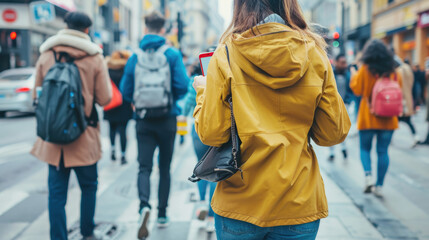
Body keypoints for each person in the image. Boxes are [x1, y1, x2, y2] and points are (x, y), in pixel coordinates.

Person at [192, 0, 351, 239]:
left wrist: (204, 91)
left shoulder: (225, 54)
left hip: (240, 203)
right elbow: (333, 133)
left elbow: (211, 134)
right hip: (298, 201)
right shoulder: (314, 53)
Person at [31, 12, 111, 240]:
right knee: (89, 187)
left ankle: (58, 237)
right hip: (83, 136)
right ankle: (87, 232)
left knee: (56, 194)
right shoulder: (94, 56)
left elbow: (36, 94)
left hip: (53, 138)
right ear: (87, 30)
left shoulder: (46, 54)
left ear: (65, 26)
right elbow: (104, 98)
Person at [120, 11, 189, 239]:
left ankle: (143, 206)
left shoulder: (135, 56)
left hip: (143, 120)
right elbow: (182, 86)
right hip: (167, 119)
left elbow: (125, 91)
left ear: (145, 26)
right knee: (165, 168)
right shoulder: (172, 54)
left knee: (144, 167)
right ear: (164, 28)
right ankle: (162, 214)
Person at [350, 39, 401, 197]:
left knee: (365, 149)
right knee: (383, 151)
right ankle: (379, 186)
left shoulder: (365, 69)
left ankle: (368, 176)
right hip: (388, 118)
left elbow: (357, 90)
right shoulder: (392, 70)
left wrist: (354, 74)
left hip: (368, 116)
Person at [182, 63, 216, 232]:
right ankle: (211, 216)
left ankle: (201, 202)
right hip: (217, 130)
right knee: (216, 171)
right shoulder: (223, 75)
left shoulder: (194, 81)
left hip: (198, 130)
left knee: (201, 167)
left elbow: (187, 105)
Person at [104, 51, 133, 165]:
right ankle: (123, 155)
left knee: (111, 128)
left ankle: (112, 150)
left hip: (110, 102)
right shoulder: (126, 69)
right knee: (123, 130)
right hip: (124, 104)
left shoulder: (108, 69)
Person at [328, 54, 353, 161]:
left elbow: (350, 90)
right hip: (331, 107)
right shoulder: (330, 74)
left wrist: (347, 102)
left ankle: (343, 148)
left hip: (344, 106)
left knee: (342, 129)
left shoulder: (348, 74)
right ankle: (331, 152)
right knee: (330, 129)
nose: (344, 65)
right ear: (336, 62)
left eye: (345, 62)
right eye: (342, 62)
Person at [395, 57, 418, 147]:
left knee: (395, 120)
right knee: (408, 121)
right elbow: (413, 85)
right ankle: (416, 136)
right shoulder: (409, 69)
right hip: (408, 98)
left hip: (400, 99)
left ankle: (388, 138)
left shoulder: (398, 71)